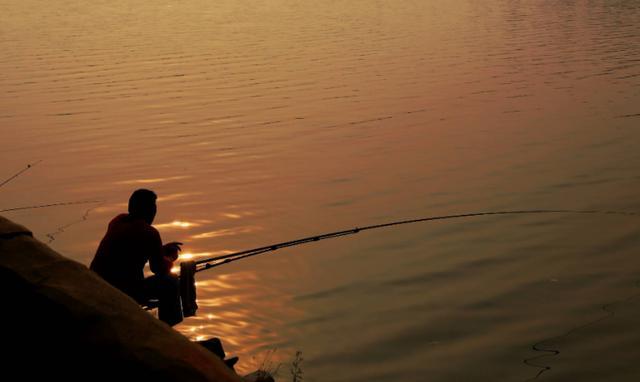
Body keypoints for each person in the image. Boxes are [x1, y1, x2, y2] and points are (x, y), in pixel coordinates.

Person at [90, 189, 184, 326]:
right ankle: (168, 329)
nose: (154, 212)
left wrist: (160, 249)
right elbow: (158, 269)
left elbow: (130, 249)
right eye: (153, 208)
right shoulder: (150, 233)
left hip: (97, 285)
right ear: (149, 210)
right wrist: (170, 258)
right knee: (171, 281)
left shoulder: (117, 221)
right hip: (123, 291)